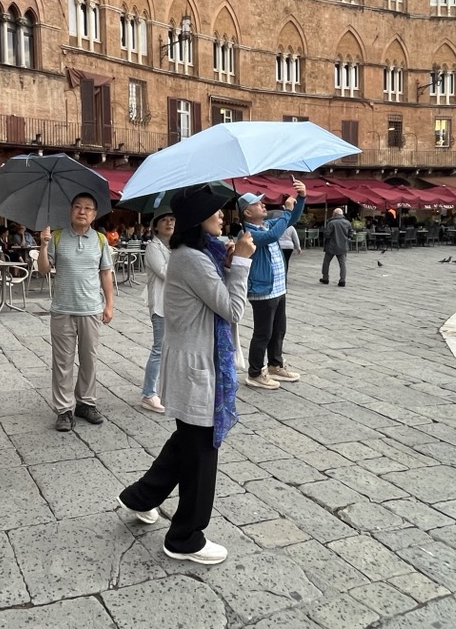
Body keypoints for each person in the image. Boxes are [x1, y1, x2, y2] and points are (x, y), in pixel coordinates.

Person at [117, 183, 255, 566]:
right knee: (200, 454)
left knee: (186, 444)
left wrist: (229, 261)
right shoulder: (192, 259)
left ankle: (140, 497)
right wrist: (242, 264)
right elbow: (232, 309)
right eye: (215, 210)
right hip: (195, 366)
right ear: (198, 218)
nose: (222, 215)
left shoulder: (198, 254)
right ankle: (185, 537)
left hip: (193, 360)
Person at [38, 193, 115, 431]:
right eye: (78, 207)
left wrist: (109, 304)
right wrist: (43, 245)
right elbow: (43, 270)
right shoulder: (57, 236)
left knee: (89, 359)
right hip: (63, 309)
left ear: (94, 214)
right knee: (62, 362)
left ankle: (86, 403)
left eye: (88, 208)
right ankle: (63, 410)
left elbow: (106, 273)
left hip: (91, 309)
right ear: (70, 210)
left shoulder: (100, 240)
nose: (82, 211)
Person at [239, 182, 306, 390]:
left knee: (279, 329)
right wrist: (286, 210)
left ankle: (275, 364)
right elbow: (272, 237)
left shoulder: (267, 225)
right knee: (263, 333)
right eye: (258, 204)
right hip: (262, 290)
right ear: (247, 212)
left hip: (278, 287)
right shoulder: (248, 234)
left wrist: (301, 197)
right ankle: (255, 372)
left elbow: (291, 220)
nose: (263, 205)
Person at [139, 204, 175, 413]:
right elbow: (165, 272)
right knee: (159, 349)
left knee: (173, 349)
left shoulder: (175, 246)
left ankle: (167, 388)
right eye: (164, 220)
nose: (169, 223)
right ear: (156, 226)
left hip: (177, 305)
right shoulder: (153, 247)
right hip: (160, 305)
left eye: (172, 219)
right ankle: (148, 393)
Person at [320, 208, 354, 287]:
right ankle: (342, 280)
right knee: (342, 264)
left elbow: (327, 234)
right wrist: (347, 239)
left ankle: (325, 278)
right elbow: (351, 233)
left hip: (331, 246)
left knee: (326, 262)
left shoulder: (331, 223)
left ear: (334, 214)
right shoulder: (347, 222)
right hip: (342, 246)